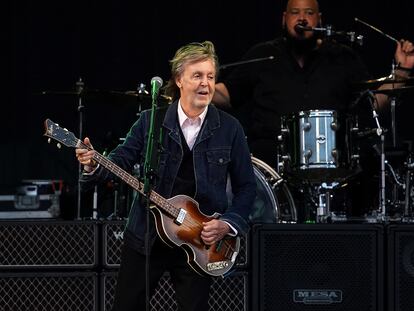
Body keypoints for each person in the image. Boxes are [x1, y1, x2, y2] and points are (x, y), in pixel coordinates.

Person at [75, 41, 256, 311]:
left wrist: (227, 224)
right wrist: (93, 164)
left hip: (199, 241)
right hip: (147, 237)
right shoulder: (151, 121)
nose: (205, 83)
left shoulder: (229, 128)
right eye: (197, 76)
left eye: (210, 76)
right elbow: (120, 161)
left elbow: (247, 188)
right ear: (179, 80)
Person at [213, 0, 414, 220]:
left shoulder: (342, 57)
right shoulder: (263, 54)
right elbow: (227, 94)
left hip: (334, 173)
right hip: (269, 168)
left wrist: (402, 71)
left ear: (319, 19)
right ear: (284, 18)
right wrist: (196, 86)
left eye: (309, 12)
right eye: (295, 12)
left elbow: (372, 104)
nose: (302, 18)